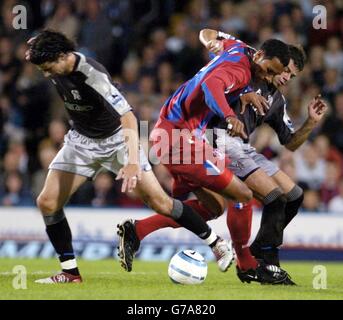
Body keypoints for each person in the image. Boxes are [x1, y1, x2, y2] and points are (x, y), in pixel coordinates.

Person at [25, 30, 235, 284]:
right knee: (47, 202)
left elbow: (128, 118)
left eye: (48, 67)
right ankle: (70, 274)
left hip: (118, 140)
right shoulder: (49, 55)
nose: (46, 73)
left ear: (62, 56)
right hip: (81, 140)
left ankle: (216, 243)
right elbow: (37, 42)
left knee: (161, 203)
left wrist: (133, 162)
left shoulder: (92, 74)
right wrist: (34, 47)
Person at [118, 33, 292, 284]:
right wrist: (229, 115)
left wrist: (213, 46)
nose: (266, 78)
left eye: (271, 75)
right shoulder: (240, 70)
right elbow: (211, 85)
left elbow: (207, 34)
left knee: (214, 207)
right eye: (267, 71)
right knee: (242, 194)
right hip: (178, 138)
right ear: (260, 55)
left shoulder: (238, 47)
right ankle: (247, 265)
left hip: (178, 136)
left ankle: (137, 230)